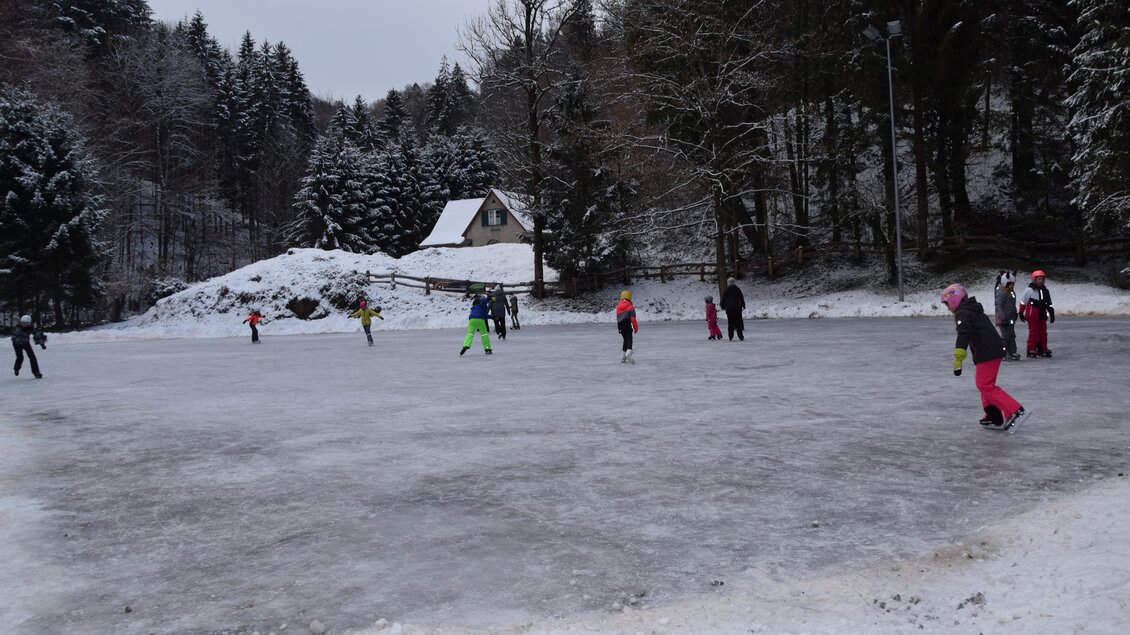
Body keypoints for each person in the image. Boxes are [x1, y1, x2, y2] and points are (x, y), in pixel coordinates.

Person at [942, 283, 1028, 430]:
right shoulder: (973, 309)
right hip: (990, 350)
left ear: (954, 300)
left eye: (947, 304)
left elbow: (964, 334)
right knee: (984, 385)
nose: (948, 308)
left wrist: (958, 358)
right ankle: (993, 416)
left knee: (985, 385)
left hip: (987, 351)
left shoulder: (963, 313)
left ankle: (1014, 410)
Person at [1019, 269, 1054, 358]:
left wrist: (1051, 313)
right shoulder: (1029, 290)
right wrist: (1021, 312)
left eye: (1042, 279)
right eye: (1039, 279)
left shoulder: (1045, 290)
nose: (1041, 281)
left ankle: (1042, 348)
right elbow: (1023, 302)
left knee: (1043, 333)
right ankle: (1031, 348)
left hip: (1042, 315)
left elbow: (1049, 303)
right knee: (1033, 333)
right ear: (1034, 279)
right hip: (1032, 315)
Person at [994, 271, 1021, 361]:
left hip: (1011, 318)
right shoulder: (1001, 292)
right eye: (1010, 284)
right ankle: (1003, 353)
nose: (1012, 286)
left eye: (1013, 284)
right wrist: (1003, 318)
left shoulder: (1011, 292)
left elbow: (1012, 304)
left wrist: (1015, 313)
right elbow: (999, 306)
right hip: (1004, 319)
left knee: (1012, 335)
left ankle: (1012, 352)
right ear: (1005, 283)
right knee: (1005, 336)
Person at [616, 290, 639, 363]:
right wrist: (636, 328)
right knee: (629, 340)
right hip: (627, 324)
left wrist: (619, 327)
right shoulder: (630, 306)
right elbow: (633, 319)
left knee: (625, 340)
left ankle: (623, 357)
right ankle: (628, 353)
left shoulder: (618, 306)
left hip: (620, 325)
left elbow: (617, 317)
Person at [719, 277, 746, 341]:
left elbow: (723, 299)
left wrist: (722, 306)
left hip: (729, 309)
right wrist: (743, 305)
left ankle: (730, 336)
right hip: (737, 308)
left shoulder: (727, 290)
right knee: (738, 322)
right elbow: (741, 298)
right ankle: (740, 336)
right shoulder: (737, 289)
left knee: (730, 322)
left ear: (728, 283)